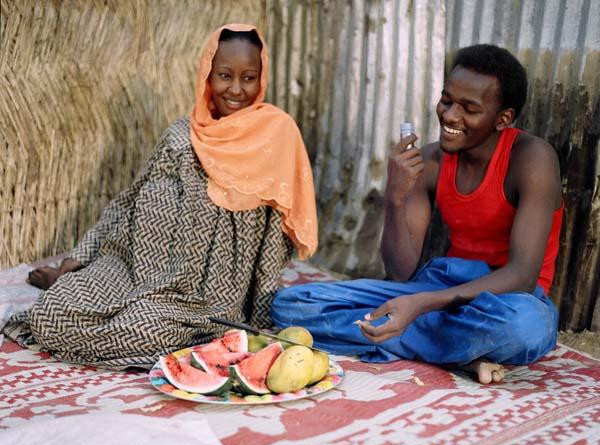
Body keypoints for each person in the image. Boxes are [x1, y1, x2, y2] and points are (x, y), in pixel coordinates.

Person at [6, 24, 318, 369]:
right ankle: (71, 284)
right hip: (130, 266)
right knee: (51, 315)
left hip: (200, 298)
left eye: (249, 77)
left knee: (140, 329)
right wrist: (80, 256)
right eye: (224, 75)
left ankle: (117, 314)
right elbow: (130, 199)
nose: (235, 89)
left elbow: (277, 233)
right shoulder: (180, 135)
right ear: (206, 76)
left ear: (262, 79)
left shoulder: (276, 136)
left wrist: (259, 313)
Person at [271, 44, 563, 384]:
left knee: (527, 329)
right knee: (292, 305)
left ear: (503, 119)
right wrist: (394, 196)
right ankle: (461, 354)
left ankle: (414, 340)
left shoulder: (532, 159)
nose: (450, 116)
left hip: (508, 300)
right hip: (440, 284)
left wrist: (421, 304)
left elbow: (523, 275)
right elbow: (402, 270)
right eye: (447, 100)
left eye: (469, 108)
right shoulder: (431, 162)